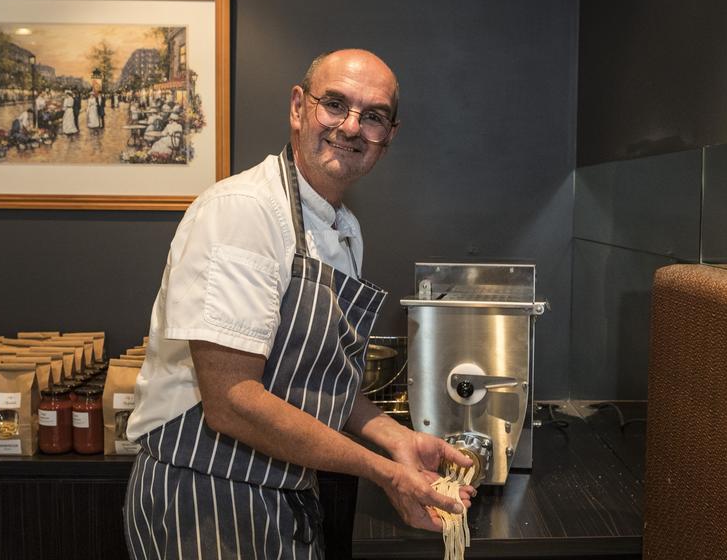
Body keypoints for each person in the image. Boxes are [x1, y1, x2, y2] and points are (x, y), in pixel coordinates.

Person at [123, 49, 474, 559]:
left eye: (372, 116)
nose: (351, 128)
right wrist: (382, 470)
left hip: (280, 494)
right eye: (335, 104)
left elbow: (318, 379)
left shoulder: (342, 229)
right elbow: (231, 401)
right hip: (206, 499)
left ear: (388, 136)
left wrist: (396, 439)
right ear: (297, 107)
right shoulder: (243, 213)